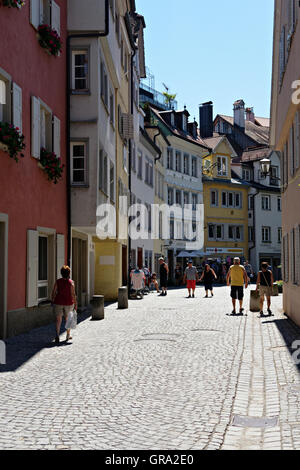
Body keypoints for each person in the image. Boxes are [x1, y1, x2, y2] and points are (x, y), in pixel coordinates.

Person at [52, 265, 77, 344]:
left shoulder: (58, 281)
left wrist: (52, 300)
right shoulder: (71, 282)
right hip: (68, 303)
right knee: (68, 319)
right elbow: (73, 294)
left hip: (58, 302)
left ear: (61, 273)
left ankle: (57, 335)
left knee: (58, 319)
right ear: (69, 273)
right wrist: (75, 303)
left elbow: (54, 292)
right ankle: (68, 335)